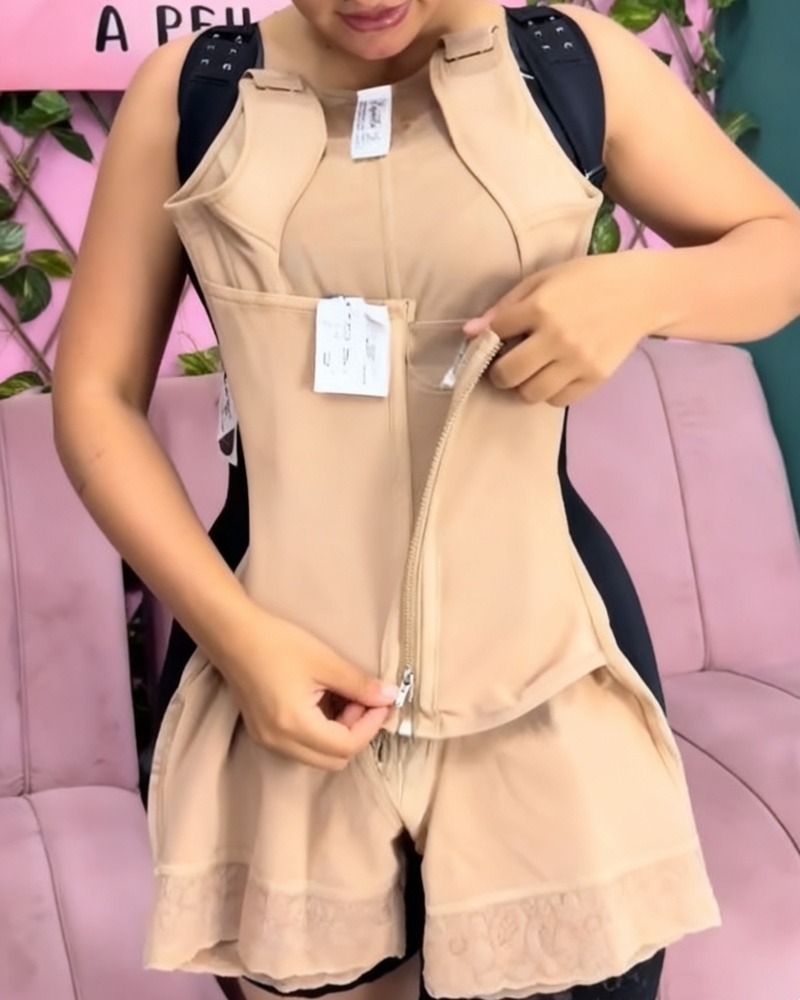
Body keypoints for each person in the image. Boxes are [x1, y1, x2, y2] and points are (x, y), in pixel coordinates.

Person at [52, 2, 800, 1000]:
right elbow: (95, 397)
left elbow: (780, 249)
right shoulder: (192, 93)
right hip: (268, 659)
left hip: (545, 665)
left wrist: (639, 293)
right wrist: (236, 639)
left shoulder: (567, 65)